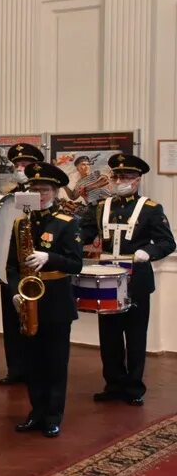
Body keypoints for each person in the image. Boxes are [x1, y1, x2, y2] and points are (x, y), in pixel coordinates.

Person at [80, 154, 175, 406]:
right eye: (117, 176)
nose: (120, 180)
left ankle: (134, 387)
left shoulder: (151, 209)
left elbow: (168, 242)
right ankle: (113, 384)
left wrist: (149, 252)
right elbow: (85, 233)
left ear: (138, 180)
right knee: (109, 335)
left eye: (127, 177)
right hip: (107, 277)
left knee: (135, 334)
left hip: (136, 278)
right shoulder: (101, 207)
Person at [9, 162, 82, 438]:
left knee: (54, 362)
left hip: (56, 300)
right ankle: (35, 412)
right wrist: (16, 290)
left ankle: (53, 415)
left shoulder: (67, 223)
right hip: (29, 299)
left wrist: (49, 257)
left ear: (55, 192)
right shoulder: (21, 223)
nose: (38, 194)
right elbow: (12, 264)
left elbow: (76, 263)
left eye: (44, 189)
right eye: (34, 189)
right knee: (33, 362)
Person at [0, 142, 44, 386]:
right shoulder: (9, 194)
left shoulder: (46, 192)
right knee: (10, 317)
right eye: (16, 164)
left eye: (24, 164)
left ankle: (35, 367)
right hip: (10, 263)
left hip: (36, 263)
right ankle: (15, 368)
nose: (19, 168)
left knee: (35, 318)